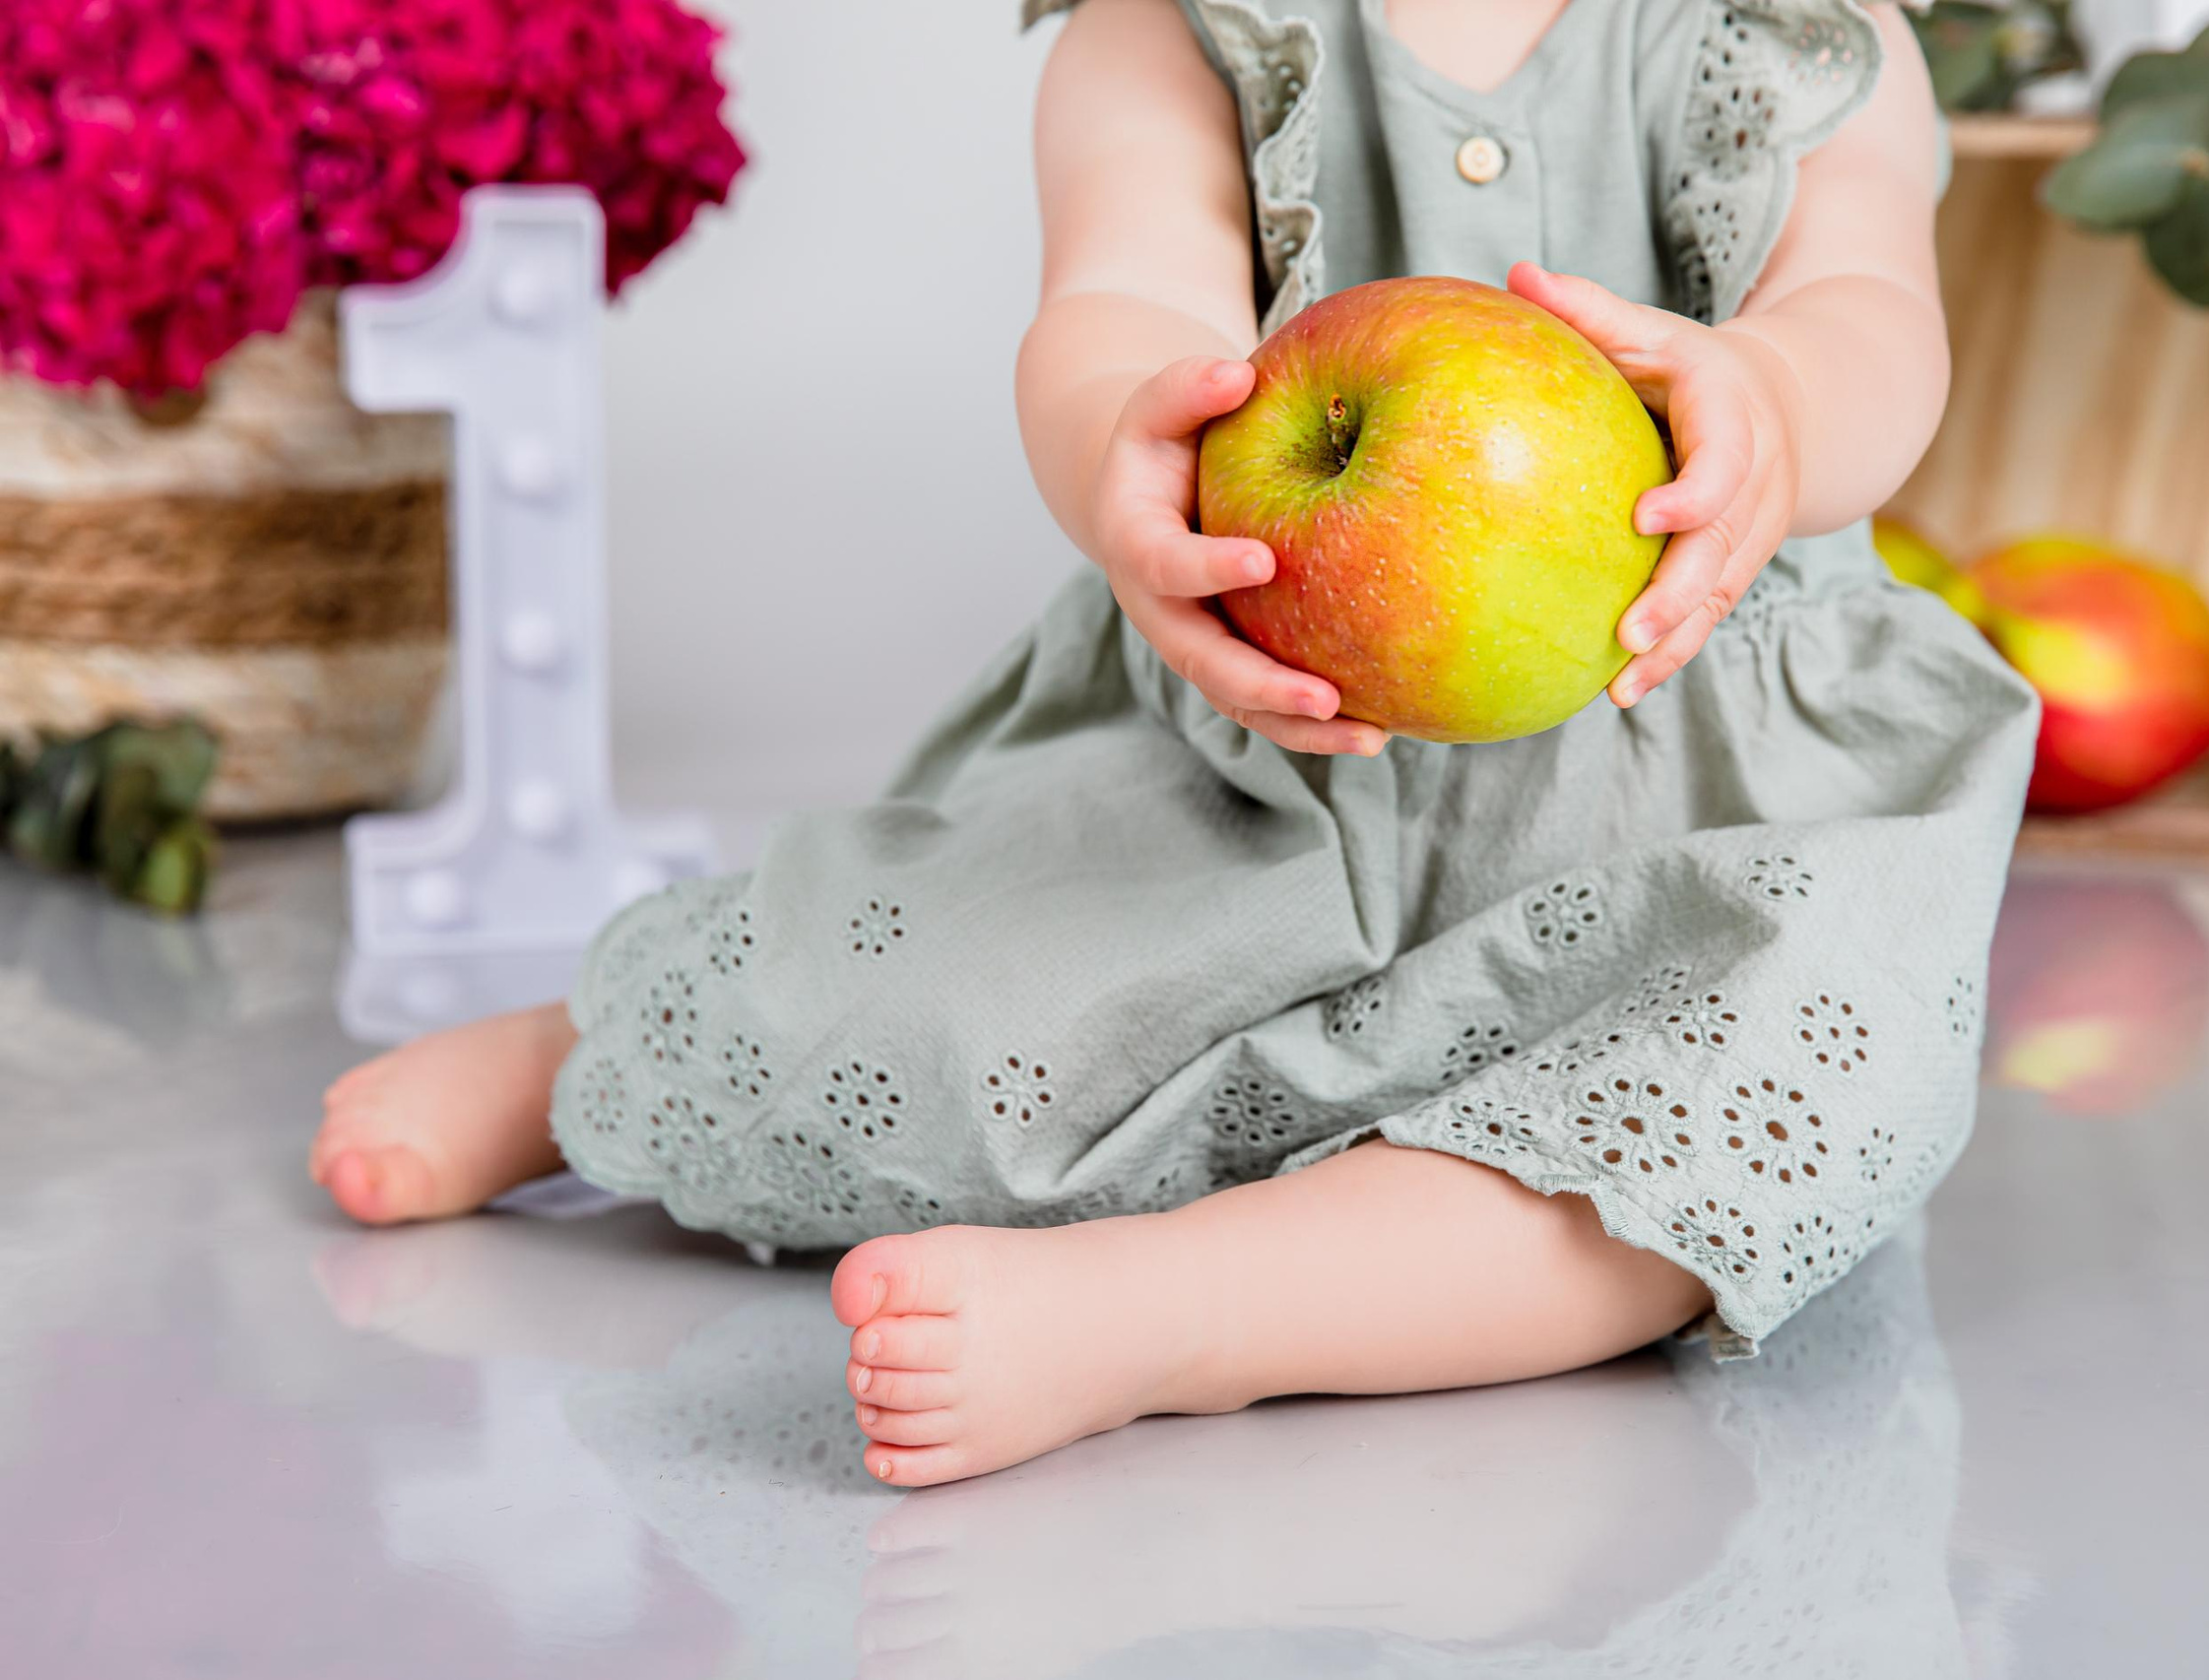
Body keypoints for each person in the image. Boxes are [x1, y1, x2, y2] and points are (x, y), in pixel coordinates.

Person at [311, 0, 2036, 1490]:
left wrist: (1777, 403)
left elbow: (1871, 308)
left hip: (1694, 767)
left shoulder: (1794, 34)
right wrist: (1119, 462)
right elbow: (1121, 298)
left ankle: (1184, 1310)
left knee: (1760, 1092)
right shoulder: (1187, 26)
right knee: (962, 985)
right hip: (1276, 755)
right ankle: (603, 1049)